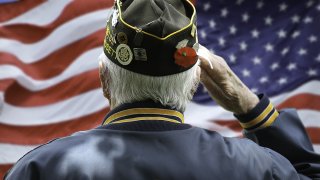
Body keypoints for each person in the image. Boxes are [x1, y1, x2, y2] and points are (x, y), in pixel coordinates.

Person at [5, 0, 320, 179]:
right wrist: (251, 109)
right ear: (196, 81)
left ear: (104, 80)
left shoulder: (42, 170)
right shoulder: (256, 167)